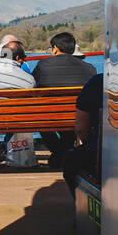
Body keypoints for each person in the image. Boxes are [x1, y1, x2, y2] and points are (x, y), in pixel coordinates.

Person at [32, 31, 97, 167]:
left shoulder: (43, 65)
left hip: (49, 117)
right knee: (74, 116)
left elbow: (33, 88)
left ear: (55, 48)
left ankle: (60, 153)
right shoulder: (90, 69)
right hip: (79, 117)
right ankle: (65, 152)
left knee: (42, 118)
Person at [63, 73, 103, 197]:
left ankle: (79, 203)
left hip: (102, 155)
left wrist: (90, 144)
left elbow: (81, 129)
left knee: (69, 162)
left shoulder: (97, 82)